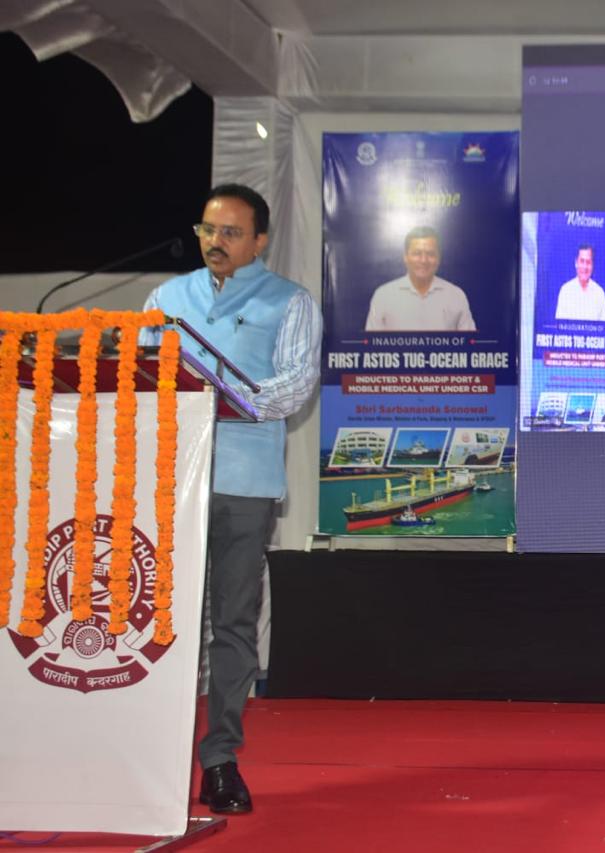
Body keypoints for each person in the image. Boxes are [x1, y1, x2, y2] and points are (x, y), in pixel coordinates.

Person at [142, 184, 321, 815]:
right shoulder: (165, 298)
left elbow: (296, 384)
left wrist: (221, 396)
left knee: (233, 624)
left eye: (231, 232)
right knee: (164, 621)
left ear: (260, 240)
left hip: (244, 485)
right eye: (208, 229)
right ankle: (150, 752)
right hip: (170, 484)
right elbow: (142, 370)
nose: (216, 241)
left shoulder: (290, 302)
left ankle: (218, 760)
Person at [365, 226, 475, 331]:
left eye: (430, 254)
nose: (423, 260)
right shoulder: (383, 295)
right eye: (417, 253)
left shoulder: (456, 295)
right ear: (405, 257)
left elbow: (470, 344)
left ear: (438, 258)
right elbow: (371, 346)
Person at [554, 243, 605, 321]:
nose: (585, 267)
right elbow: (559, 326)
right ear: (576, 263)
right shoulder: (565, 291)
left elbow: (604, 328)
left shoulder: (599, 293)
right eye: (582, 261)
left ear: (592, 265)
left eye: (588, 262)